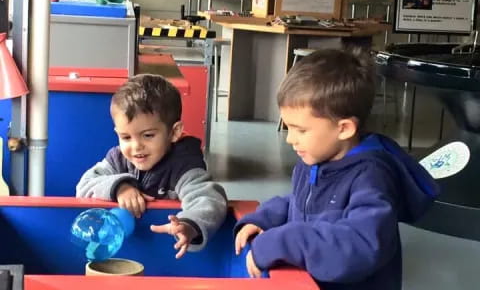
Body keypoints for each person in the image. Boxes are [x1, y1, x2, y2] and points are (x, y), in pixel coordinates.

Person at [234, 48, 439, 290]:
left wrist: (282, 242)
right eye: (288, 128)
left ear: (344, 129)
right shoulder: (317, 159)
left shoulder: (371, 178)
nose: (290, 139)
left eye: (300, 130)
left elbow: (360, 246)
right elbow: (302, 202)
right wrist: (264, 219)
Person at [76, 74, 227, 258]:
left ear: (174, 132)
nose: (136, 146)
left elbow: (208, 199)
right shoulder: (118, 159)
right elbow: (84, 185)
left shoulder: (184, 166)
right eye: (126, 137)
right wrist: (120, 188)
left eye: (148, 135)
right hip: (128, 252)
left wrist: (189, 225)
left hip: (170, 257)